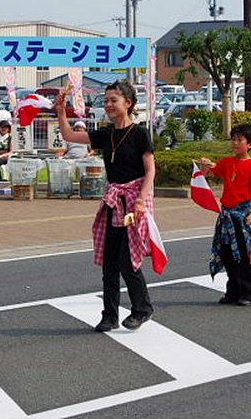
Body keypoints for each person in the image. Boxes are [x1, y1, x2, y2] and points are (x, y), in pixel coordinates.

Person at [56, 80, 156, 332]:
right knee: (109, 261)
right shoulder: (105, 134)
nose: (109, 105)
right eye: (107, 100)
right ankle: (109, 315)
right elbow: (69, 136)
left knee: (127, 259)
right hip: (113, 201)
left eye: (114, 100)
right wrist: (60, 110)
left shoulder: (139, 133)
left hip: (134, 202)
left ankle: (142, 309)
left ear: (128, 103)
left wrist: (142, 200)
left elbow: (150, 169)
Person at [200, 124, 251, 306]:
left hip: (242, 215)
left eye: (239, 140)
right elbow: (211, 172)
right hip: (226, 215)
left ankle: (249, 293)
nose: (235, 143)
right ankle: (233, 291)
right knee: (227, 254)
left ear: (250, 144)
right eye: (233, 139)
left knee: (243, 256)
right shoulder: (228, 162)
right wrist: (205, 166)